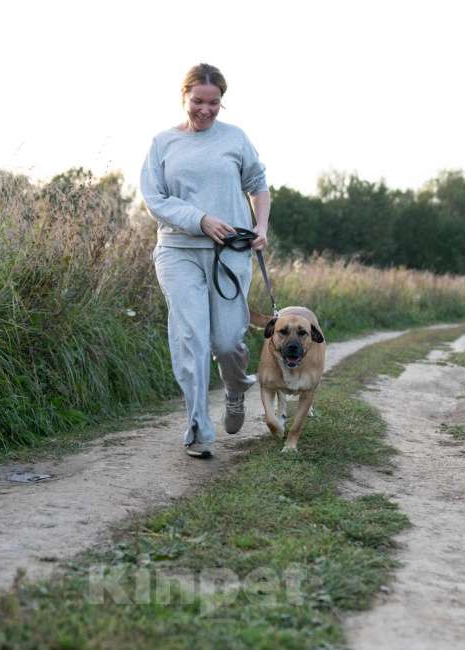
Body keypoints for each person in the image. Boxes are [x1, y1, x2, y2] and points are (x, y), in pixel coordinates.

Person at [140, 62, 271, 459]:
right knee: (191, 340)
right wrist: (199, 219)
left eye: (214, 103)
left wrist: (260, 226)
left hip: (230, 252)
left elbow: (258, 185)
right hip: (178, 252)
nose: (205, 110)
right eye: (198, 101)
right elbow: (155, 199)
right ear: (184, 97)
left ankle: (235, 388)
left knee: (228, 341)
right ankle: (197, 428)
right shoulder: (163, 143)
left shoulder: (235, 138)